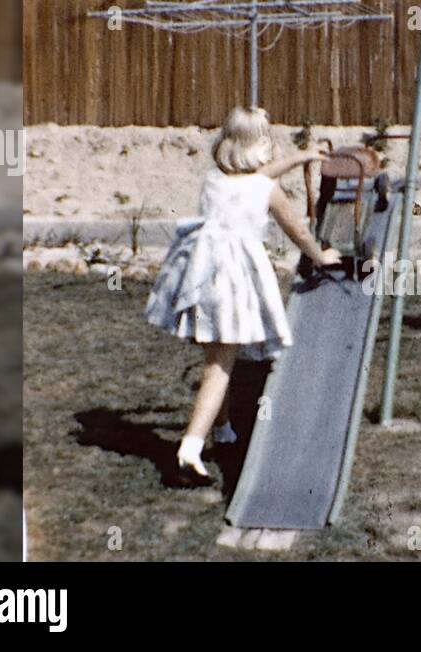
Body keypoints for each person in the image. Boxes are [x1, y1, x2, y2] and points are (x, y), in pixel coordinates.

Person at [145, 106, 340, 477]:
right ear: (261, 145)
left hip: (199, 277)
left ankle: (222, 429)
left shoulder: (214, 179)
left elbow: (255, 177)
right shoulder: (266, 191)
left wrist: (302, 156)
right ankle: (190, 447)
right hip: (230, 285)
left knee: (214, 359)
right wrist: (321, 256)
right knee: (221, 366)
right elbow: (298, 232)